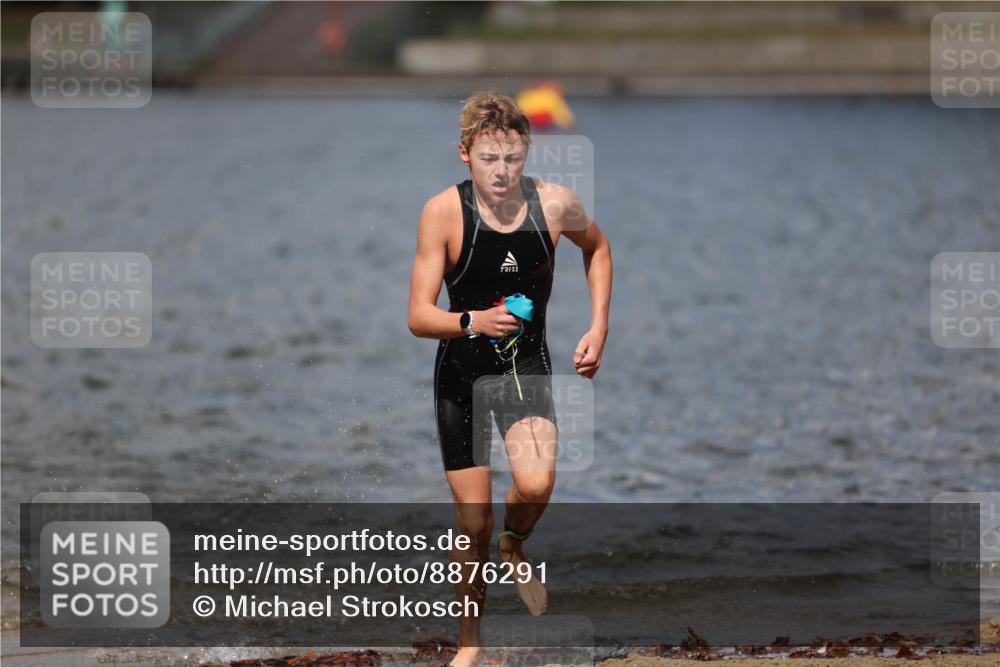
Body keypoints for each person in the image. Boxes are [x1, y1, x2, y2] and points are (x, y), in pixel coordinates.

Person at [407, 90, 612, 667]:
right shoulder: (442, 213)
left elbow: (597, 249)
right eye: (489, 158)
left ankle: (515, 544)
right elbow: (418, 316)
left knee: (538, 484)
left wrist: (599, 325)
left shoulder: (556, 205)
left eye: (513, 158)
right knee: (472, 521)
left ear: (527, 153)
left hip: (526, 370)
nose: (502, 171)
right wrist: (471, 320)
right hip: (461, 377)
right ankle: (470, 645)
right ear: (465, 154)